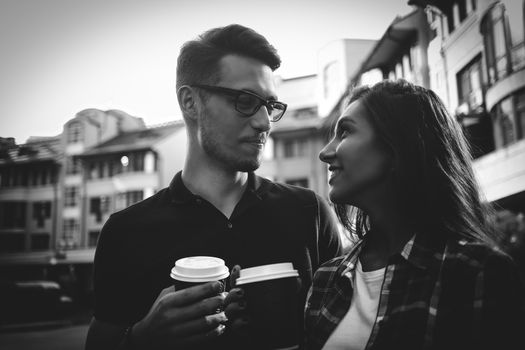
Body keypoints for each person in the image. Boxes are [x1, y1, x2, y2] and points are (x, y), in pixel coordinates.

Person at [84, 24, 342, 350]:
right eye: (246, 100)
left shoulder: (309, 212)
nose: (263, 121)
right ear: (190, 102)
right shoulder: (125, 232)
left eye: (270, 105)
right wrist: (142, 339)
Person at [305, 80, 525, 350]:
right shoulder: (325, 280)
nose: (325, 152)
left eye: (346, 132)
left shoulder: (476, 272)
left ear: (398, 144)